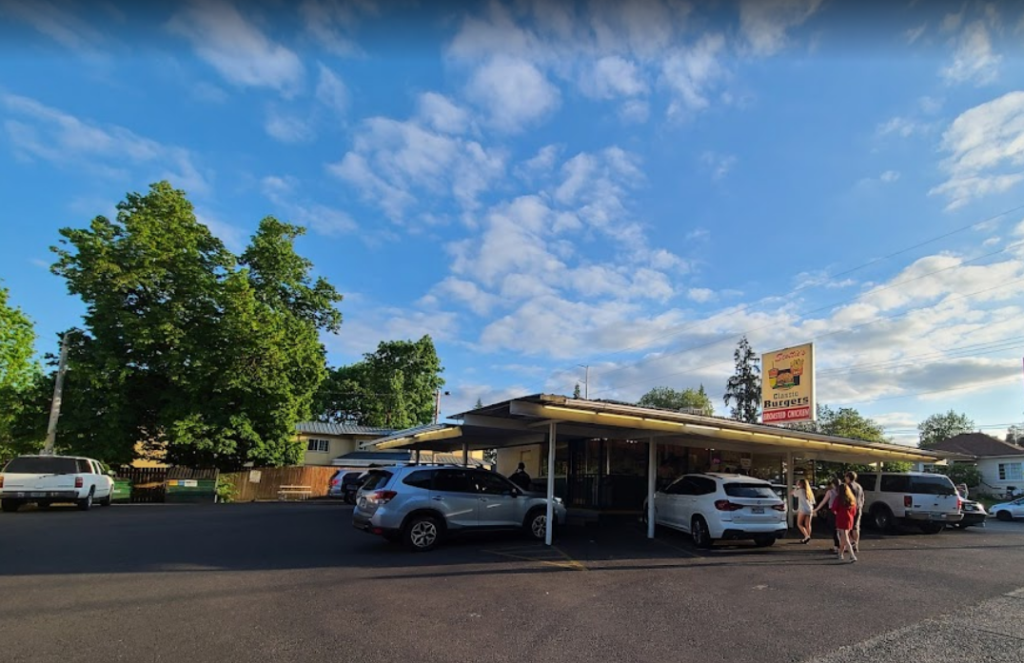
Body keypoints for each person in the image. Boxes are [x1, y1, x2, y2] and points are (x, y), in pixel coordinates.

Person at [813, 478, 842, 553]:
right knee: (842, 530)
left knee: (834, 530)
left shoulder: (830, 492)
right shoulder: (843, 491)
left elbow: (823, 501)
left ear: (832, 484)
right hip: (841, 511)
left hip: (832, 511)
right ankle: (843, 545)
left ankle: (837, 546)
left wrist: (816, 509)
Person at [832, 483, 858, 563]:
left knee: (844, 537)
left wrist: (836, 513)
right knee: (844, 536)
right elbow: (854, 511)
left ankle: (852, 555)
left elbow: (834, 508)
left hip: (841, 518)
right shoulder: (851, 499)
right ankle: (840, 554)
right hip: (849, 518)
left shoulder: (838, 498)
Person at [845, 471, 865, 553]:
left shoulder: (848, 486)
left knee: (847, 526)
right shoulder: (859, 486)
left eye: (846, 477)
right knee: (856, 527)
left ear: (848, 477)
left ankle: (849, 544)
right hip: (858, 507)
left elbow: (846, 497)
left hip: (850, 508)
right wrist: (860, 505)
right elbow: (863, 497)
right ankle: (856, 545)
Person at [791, 479, 815, 544]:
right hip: (810, 509)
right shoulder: (809, 492)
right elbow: (813, 501)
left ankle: (806, 536)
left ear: (801, 484)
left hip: (803, 509)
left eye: (798, 483)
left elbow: (792, 493)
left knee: (799, 524)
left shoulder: (800, 491)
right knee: (808, 524)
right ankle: (807, 538)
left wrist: (796, 487)